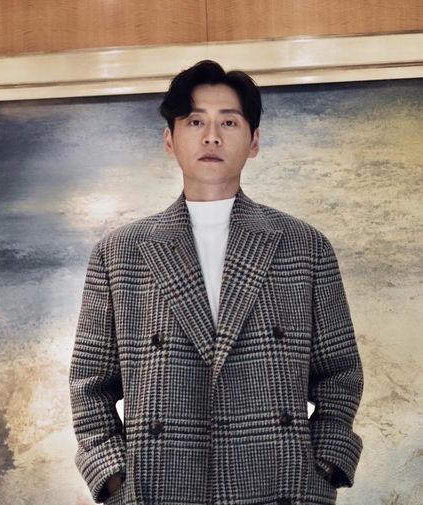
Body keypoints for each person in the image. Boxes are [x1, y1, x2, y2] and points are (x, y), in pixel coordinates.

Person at [69, 60, 364, 504]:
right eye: (195, 121)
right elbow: (88, 383)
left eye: (228, 121)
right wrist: (113, 476)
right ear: (170, 140)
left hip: (280, 484)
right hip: (159, 485)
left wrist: (324, 465)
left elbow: (340, 372)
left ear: (254, 140)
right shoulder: (119, 253)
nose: (211, 136)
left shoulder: (304, 246)